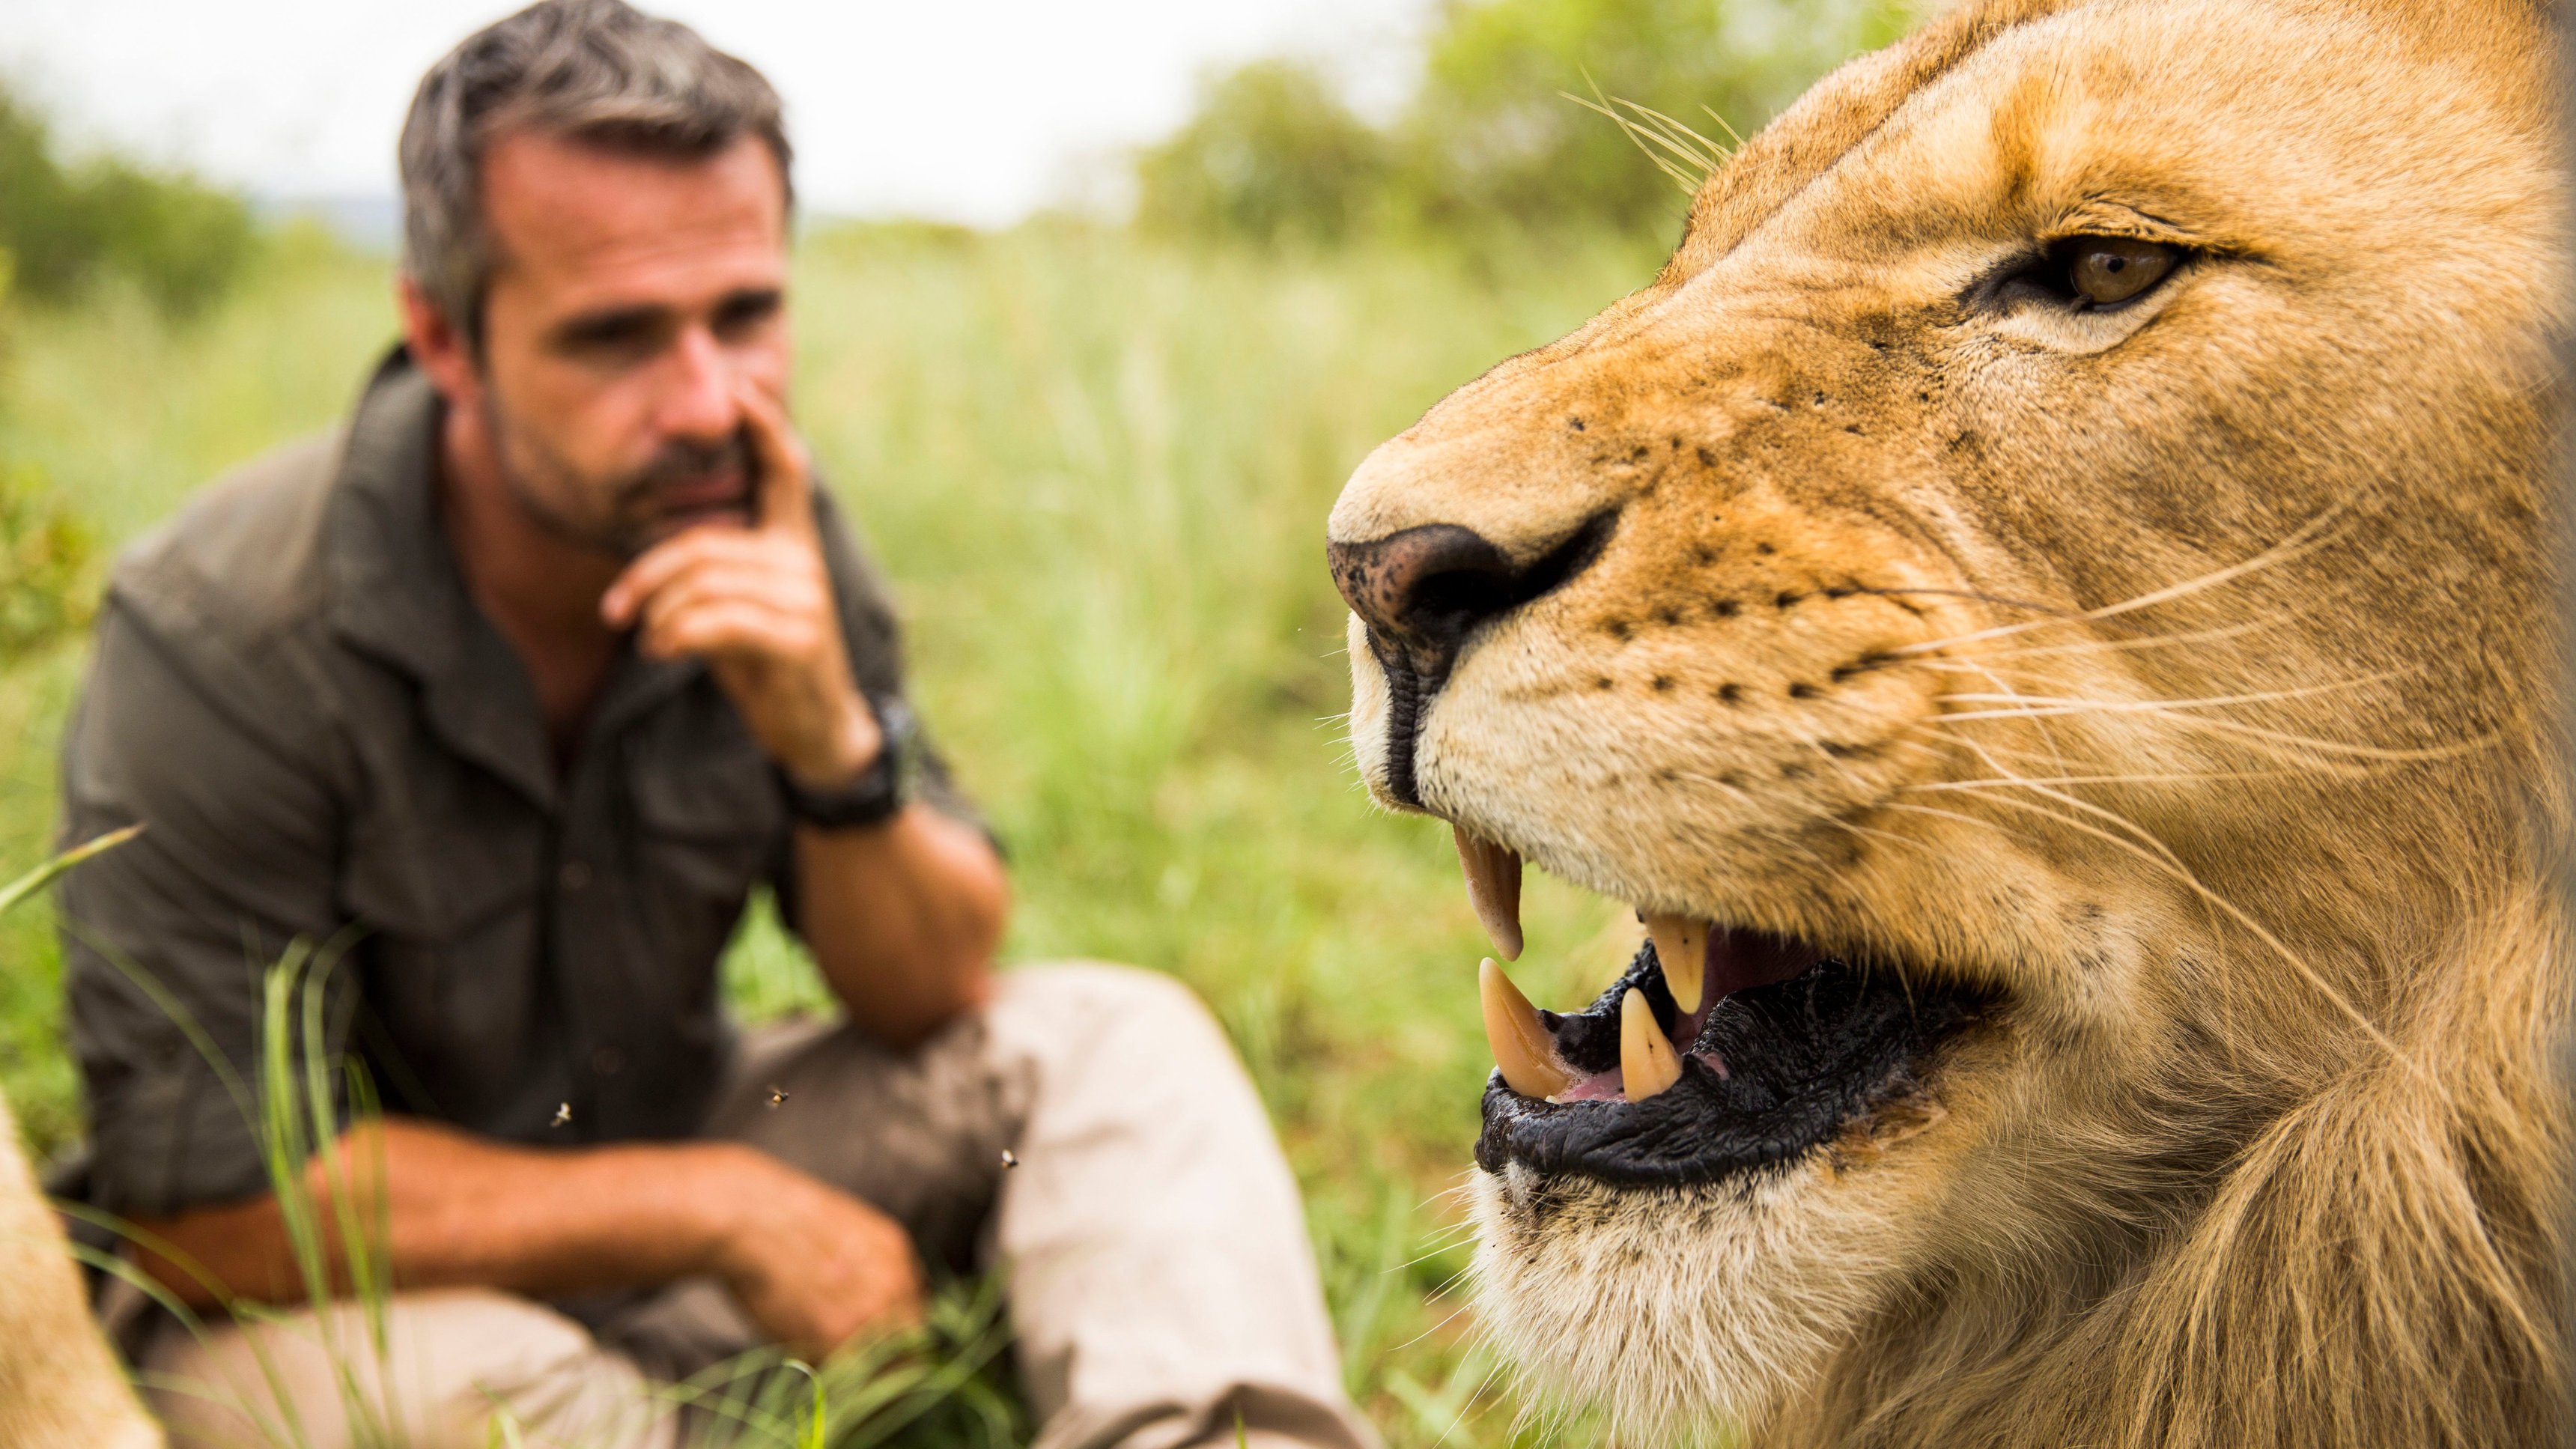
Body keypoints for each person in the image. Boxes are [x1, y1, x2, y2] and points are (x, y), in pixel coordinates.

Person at [52, 4, 1375, 1447]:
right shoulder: (224, 633)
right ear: (442, 334)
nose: (707, 400)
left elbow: (932, 993)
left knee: (1119, 1045)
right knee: (510, 1412)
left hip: (683, 1153)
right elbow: (207, 1216)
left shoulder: (758, 514)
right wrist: (720, 1212)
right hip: (333, 1303)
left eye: (745, 314)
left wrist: (832, 747)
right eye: (614, 336)